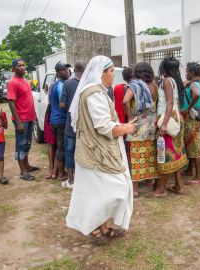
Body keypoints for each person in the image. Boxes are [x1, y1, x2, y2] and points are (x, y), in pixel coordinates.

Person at [66, 55, 136, 245]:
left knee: (97, 191)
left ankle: (102, 227)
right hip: (95, 151)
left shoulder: (95, 91)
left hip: (93, 150)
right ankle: (96, 225)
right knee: (118, 187)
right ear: (101, 73)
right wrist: (126, 129)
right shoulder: (94, 93)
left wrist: (121, 124)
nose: (114, 75)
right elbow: (104, 127)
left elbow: (105, 122)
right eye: (112, 71)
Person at [123, 62, 159, 197]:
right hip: (151, 125)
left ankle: (135, 189)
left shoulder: (134, 86)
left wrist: (130, 115)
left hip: (138, 125)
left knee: (136, 155)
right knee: (150, 154)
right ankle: (150, 180)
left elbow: (125, 101)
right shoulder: (155, 86)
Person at [153, 57, 188, 197]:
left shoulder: (167, 81)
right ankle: (178, 186)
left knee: (167, 155)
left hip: (168, 122)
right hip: (176, 120)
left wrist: (164, 125)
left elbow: (169, 103)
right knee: (176, 154)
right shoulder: (176, 80)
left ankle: (161, 190)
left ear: (164, 69)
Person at [7, 58, 39, 181]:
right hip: (21, 119)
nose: (22, 67)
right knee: (20, 145)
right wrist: (18, 121)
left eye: (23, 65)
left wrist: (34, 116)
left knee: (27, 144)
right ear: (13, 68)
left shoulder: (24, 80)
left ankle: (27, 165)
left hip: (29, 118)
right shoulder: (12, 83)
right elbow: (11, 102)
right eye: (19, 66)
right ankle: (23, 171)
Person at [59, 60, 86, 189]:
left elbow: (62, 104)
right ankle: (83, 180)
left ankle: (71, 180)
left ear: (74, 70)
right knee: (84, 151)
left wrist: (70, 107)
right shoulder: (88, 83)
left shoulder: (68, 83)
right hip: (86, 125)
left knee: (69, 151)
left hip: (71, 124)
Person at [181, 62, 200, 185]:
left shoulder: (194, 84)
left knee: (195, 146)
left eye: (187, 71)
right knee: (191, 144)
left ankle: (199, 176)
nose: (186, 73)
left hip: (192, 118)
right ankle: (190, 170)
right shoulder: (194, 83)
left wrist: (188, 108)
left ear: (192, 72)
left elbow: (196, 94)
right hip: (191, 118)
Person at [50, 61, 71, 180]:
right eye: (63, 69)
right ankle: (60, 174)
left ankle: (57, 172)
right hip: (61, 120)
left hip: (55, 119)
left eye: (67, 69)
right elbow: (63, 104)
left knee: (60, 146)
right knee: (62, 146)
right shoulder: (61, 85)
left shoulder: (58, 84)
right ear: (58, 73)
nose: (66, 71)